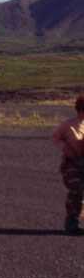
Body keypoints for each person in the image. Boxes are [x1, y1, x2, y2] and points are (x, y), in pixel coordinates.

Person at [52, 94, 84, 235]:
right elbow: (55, 138)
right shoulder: (68, 125)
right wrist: (64, 148)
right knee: (77, 189)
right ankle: (72, 222)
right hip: (72, 164)